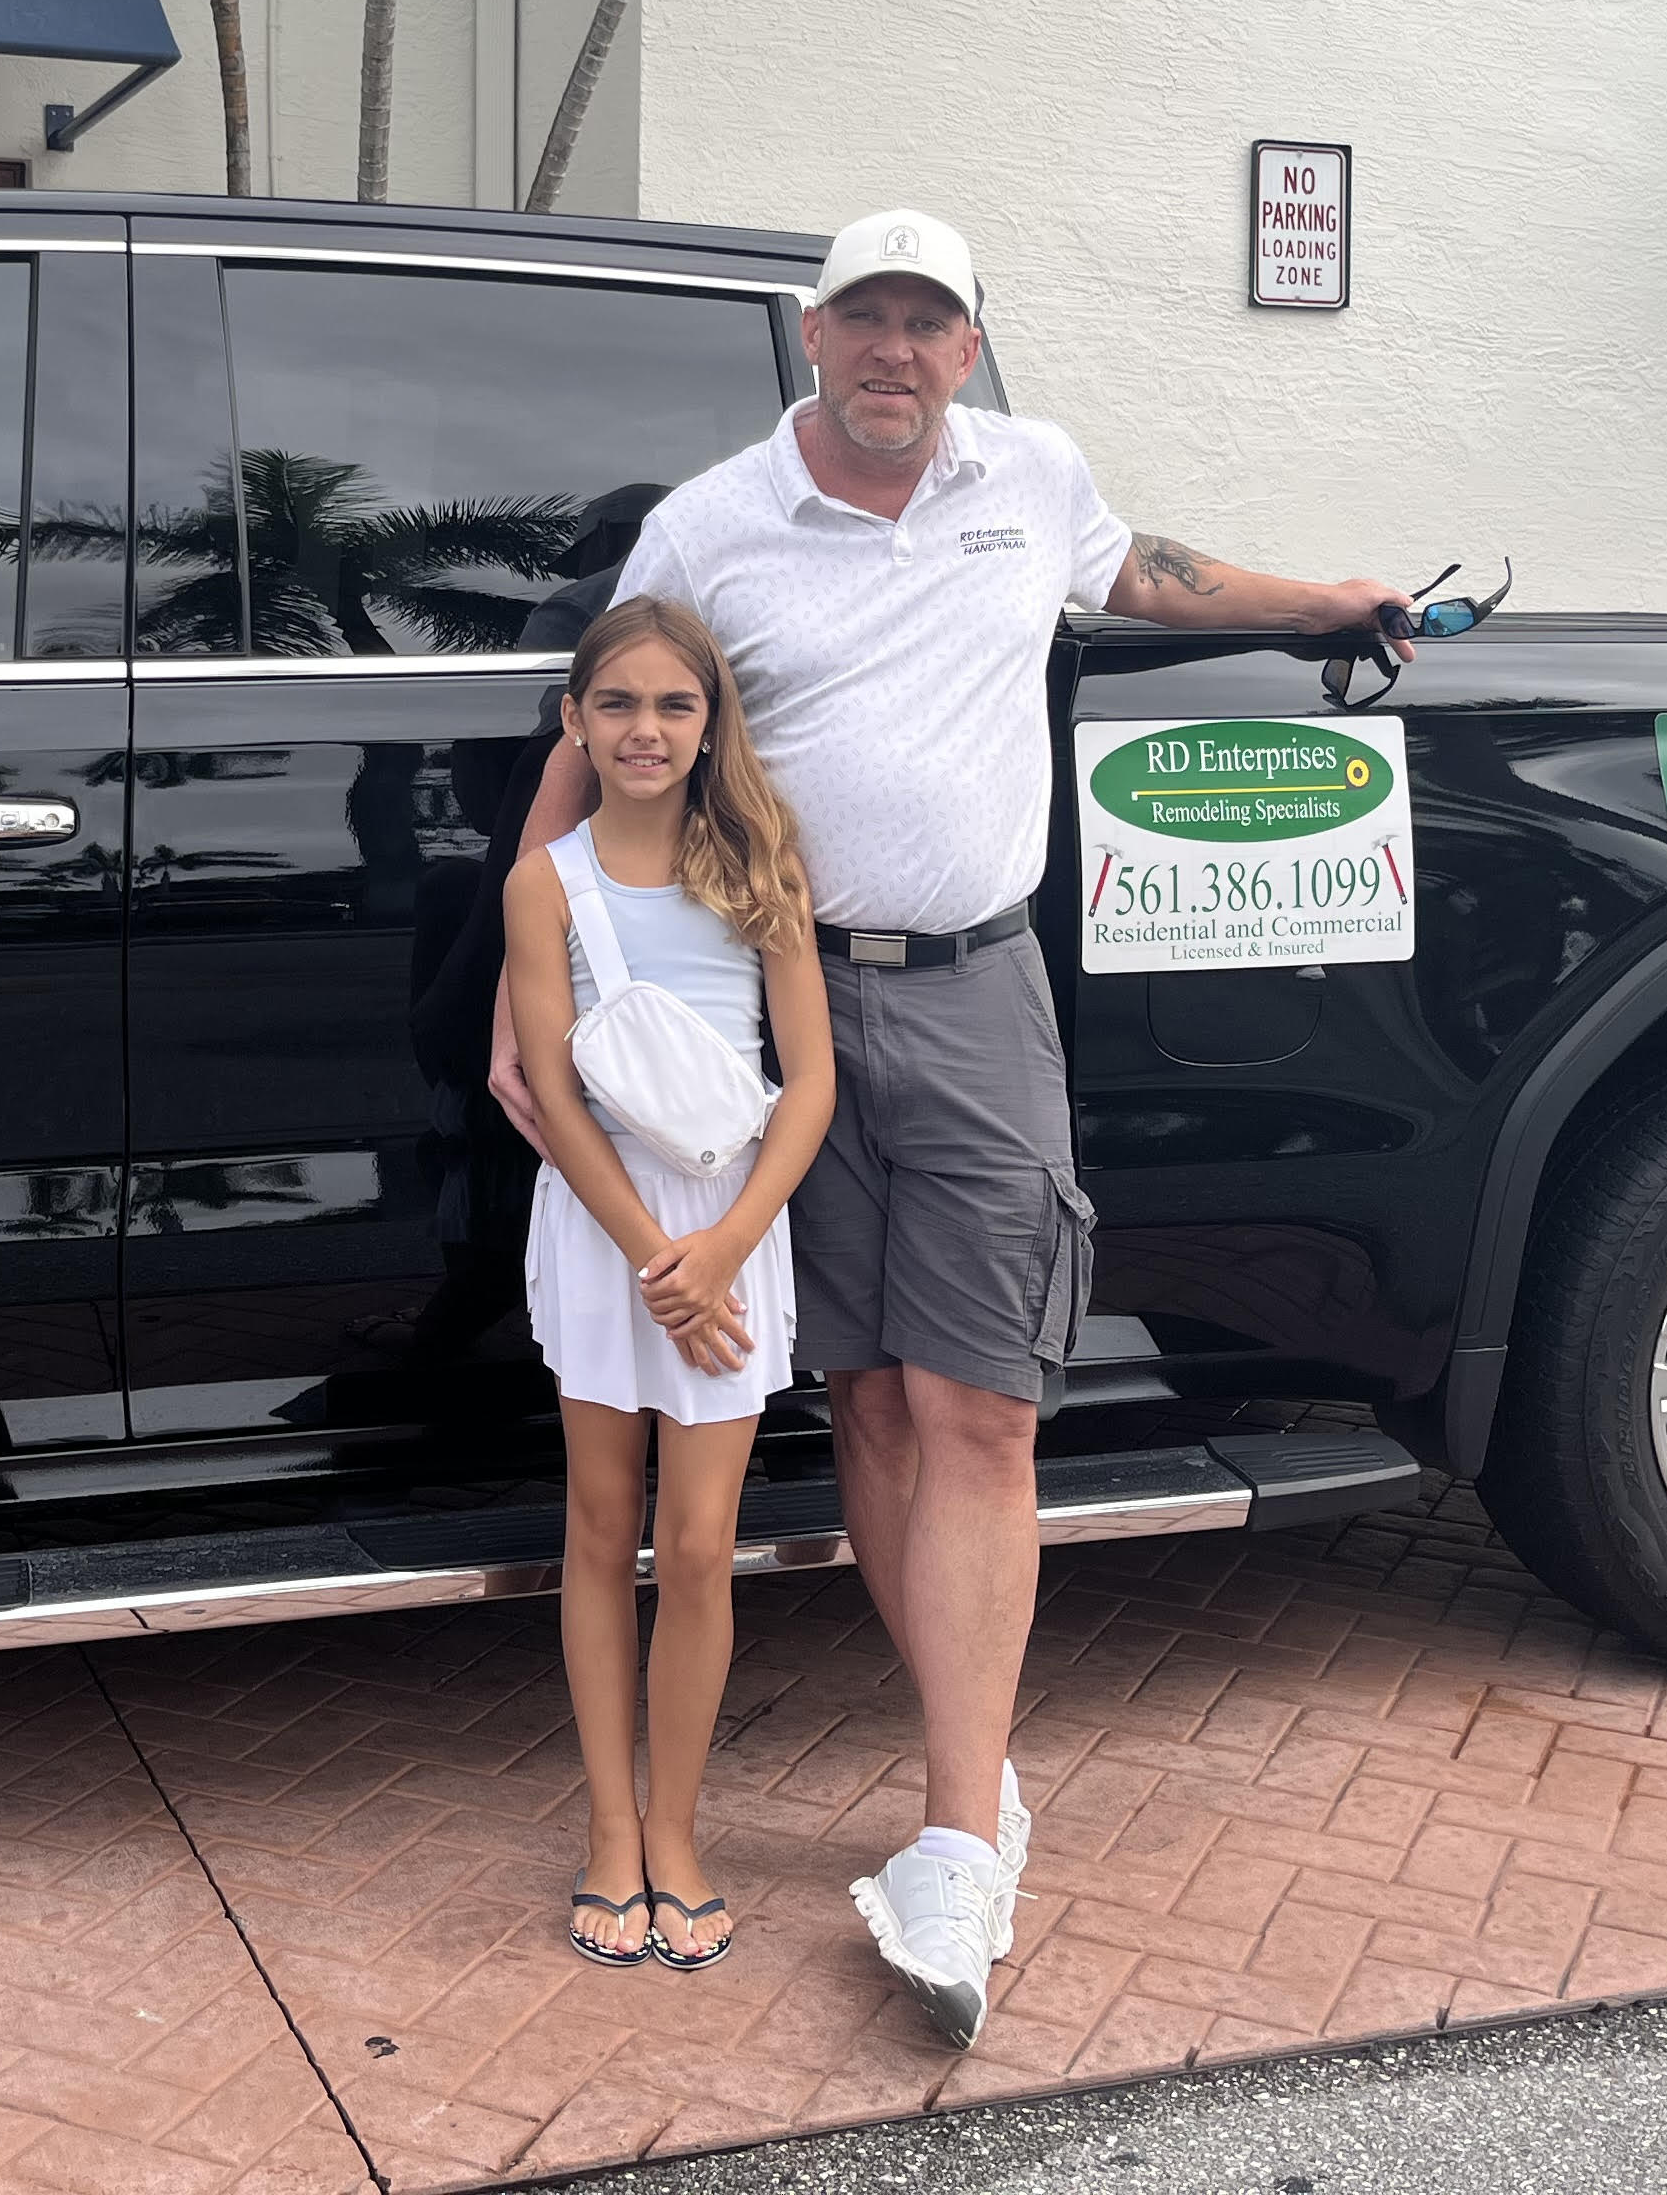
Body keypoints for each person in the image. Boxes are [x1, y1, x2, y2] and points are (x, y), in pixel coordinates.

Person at [492, 209, 1419, 2045]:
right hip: (780, 999)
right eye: (866, 323)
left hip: (984, 988)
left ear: (970, 347)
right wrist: (529, 988)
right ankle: (977, 1781)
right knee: (874, 1399)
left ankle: (954, 1827)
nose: (896, 355)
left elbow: (1145, 574)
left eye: (931, 326)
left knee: (983, 1393)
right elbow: (591, 733)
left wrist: (1327, 602)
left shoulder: (1036, 477)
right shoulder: (712, 520)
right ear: (813, 337)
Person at [504, 598, 835, 1975]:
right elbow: (552, 1090)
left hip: (734, 1229)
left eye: (675, 706)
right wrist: (656, 1254)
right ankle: (609, 1834)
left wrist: (726, 1249)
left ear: (712, 726)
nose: (647, 730)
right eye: (620, 705)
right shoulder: (546, 883)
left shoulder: (760, 864)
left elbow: (809, 1079)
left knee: (700, 1546)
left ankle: (681, 1832)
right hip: (608, 1234)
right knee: (598, 1529)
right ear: (576, 721)